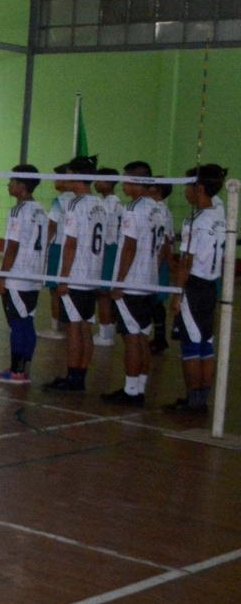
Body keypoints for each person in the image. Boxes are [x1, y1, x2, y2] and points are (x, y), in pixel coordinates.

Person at [168, 164, 227, 416]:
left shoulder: (195, 220)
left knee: (191, 345)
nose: (185, 191)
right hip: (212, 286)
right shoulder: (221, 214)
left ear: (199, 188)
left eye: (188, 186)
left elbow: (186, 262)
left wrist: (177, 294)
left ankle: (194, 401)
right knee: (206, 343)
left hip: (194, 287)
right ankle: (201, 399)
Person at [46, 157, 109, 392]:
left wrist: (63, 277)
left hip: (76, 274)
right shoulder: (100, 204)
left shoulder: (75, 205)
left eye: (69, 174)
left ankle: (73, 376)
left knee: (74, 327)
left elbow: (70, 244)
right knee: (84, 326)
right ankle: (79, 376)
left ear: (77, 176)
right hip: (93, 273)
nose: (66, 178)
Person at [104, 161, 160, 405]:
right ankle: (139, 387)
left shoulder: (134, 209)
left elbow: (129, 246)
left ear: (136, 181)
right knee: (142, 336)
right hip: (149, 281)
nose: (123, 184)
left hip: (133, 283)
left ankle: (130, 391)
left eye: (126, 180)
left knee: (132, 338)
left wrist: (119, 282)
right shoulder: (157, 208)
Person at [0, 165, 47, 385]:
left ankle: (16, 372)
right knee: (27, 321)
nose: (8, 185)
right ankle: (23, 368)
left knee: (17, 324)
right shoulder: (41, 210)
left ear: (21, 186)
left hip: (18, 275)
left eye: (12, 182)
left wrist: (2, 277)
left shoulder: (18, 211)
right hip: (34, 274)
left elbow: (12, 247)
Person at [39, 163, 75, 340]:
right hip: (74, 248)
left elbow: (51, 226)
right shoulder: (79, 199)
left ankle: (56, 328)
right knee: (70, 289)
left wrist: (43, 247)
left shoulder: (59, 201)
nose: (54, 181)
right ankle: (69, 326)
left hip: (58, 247)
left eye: (57, 178)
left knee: (54, 289)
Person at [90, 170, 123, 347]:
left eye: (100, 180)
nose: (96, 183)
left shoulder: (109, 204)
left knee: (103, 293)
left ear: (109, 183)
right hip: (108, 249)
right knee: (104, 292)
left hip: (109, 249)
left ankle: (105, 335)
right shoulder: (112, 202)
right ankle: (107, 331)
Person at [148, 181, 176, 354]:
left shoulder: (160, 210)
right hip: (156, 260)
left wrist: (158, 265)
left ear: (157, 190)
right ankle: (158, 337)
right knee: (154, 301)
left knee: (155, 301)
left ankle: (159, 338)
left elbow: (165, 240)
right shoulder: (159, 209)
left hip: (157, 261)